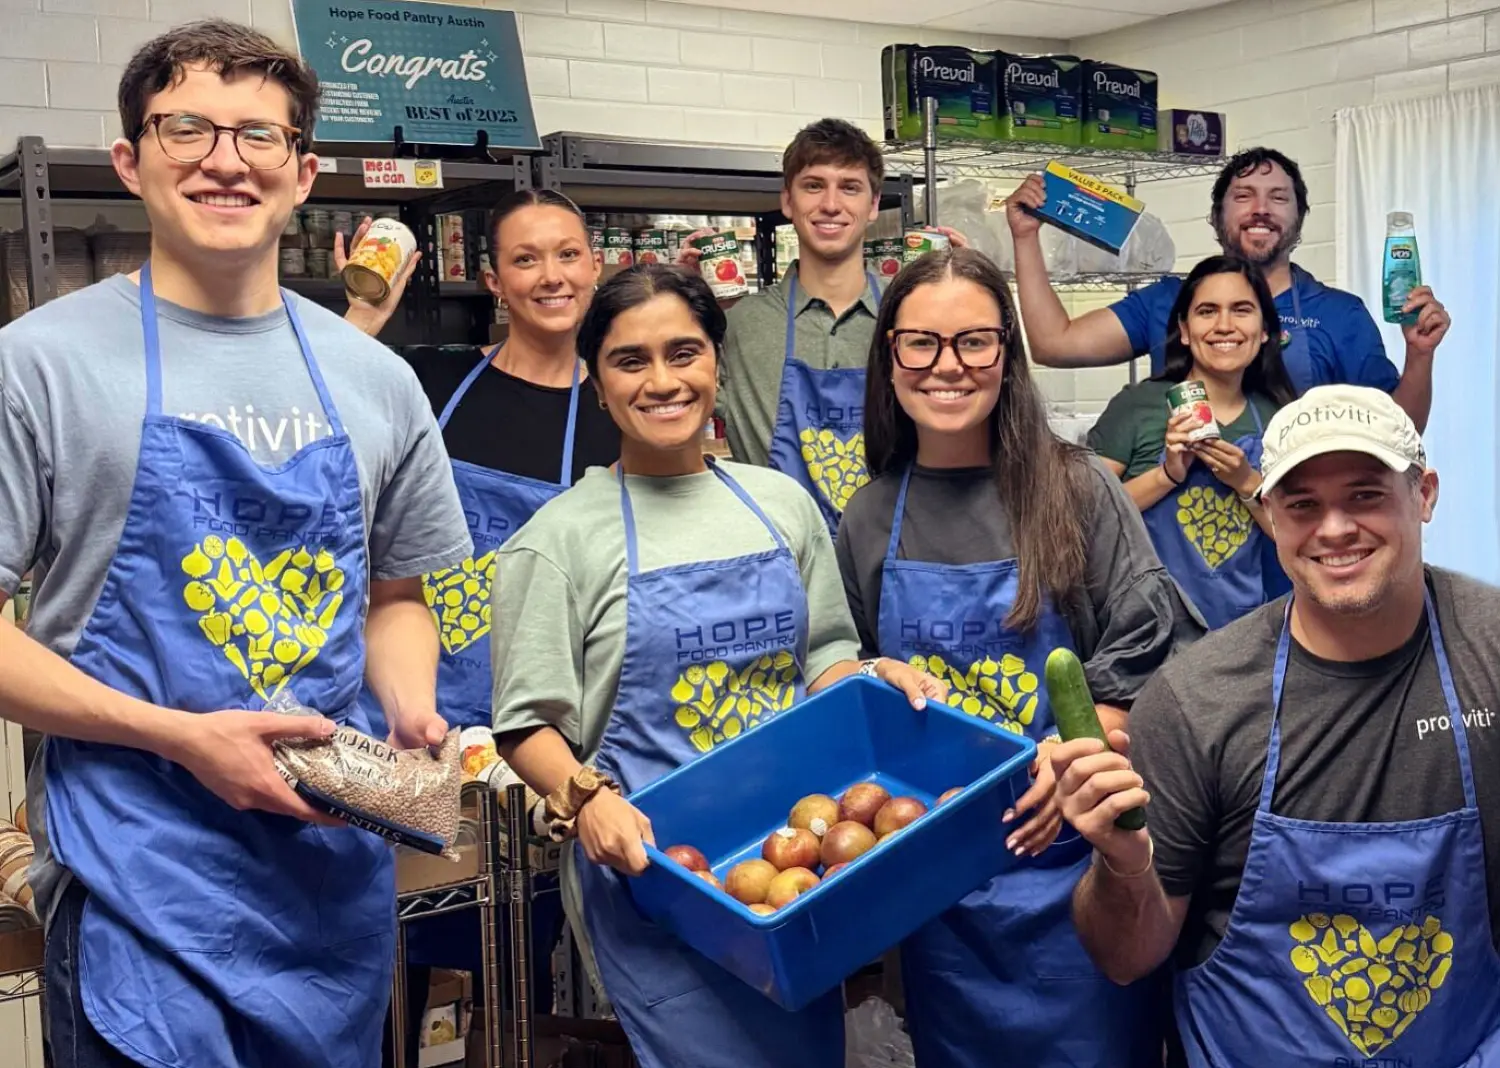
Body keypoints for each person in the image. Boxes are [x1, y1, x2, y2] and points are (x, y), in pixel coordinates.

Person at [0, 19, 470, 1068]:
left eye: (259, 137)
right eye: (187, 129)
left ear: (303, 173)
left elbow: (396, 595)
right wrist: (176, 735)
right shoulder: (38, 366)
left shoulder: (375, 381)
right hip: (140, 888)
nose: (224, 160)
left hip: (325, 886)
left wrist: (407, 704)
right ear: (131, 160)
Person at [488, 264, 944, 1068]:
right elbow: (525, 723)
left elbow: (826, 658)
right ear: (596, 383)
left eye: (683, 353)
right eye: (631, 361)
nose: (662, 381)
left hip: (788, 856)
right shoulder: (558, 541)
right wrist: (587, 799)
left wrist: (873, 679)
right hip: (658, 880)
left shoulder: (781, 505)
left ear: (716, 365)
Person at [1054, 384, 1500, 1066]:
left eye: (1365, 495)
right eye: (1302, 505)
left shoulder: (1491, 651)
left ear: (1425, 494)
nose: (1334, 529)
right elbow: (1125, 957)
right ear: (1269, 512)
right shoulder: (1196, 699)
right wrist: (1121, 865)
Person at [836, 247, 1199, 1068]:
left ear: (1008, 353)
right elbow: (851, 674)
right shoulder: (869, 516)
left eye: (975, 342)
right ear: (889, 353)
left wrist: (1077, 752)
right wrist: (872, 678)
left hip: (1079, 873)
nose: (947, 367)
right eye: (921, 342)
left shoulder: (1075, 490)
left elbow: (1149, 647)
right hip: (941, 886)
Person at [336, 189, 616, 1065]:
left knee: (518, 964)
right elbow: (321, 400)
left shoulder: (618, 407)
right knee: (394, 952)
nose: (551, 276)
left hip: (533, 740)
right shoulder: (431, 378)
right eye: (526, 259)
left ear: (595, 265)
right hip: (410, 711)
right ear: (493, 279)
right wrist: (361, 313)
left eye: (567, 254)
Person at [1006, 146, 1451, 429]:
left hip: (1289, 535)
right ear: (1217, 217)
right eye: (1243, 197)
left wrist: (1420, 356)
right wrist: (1025, 237)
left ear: (1298, 218)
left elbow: (1400, 430)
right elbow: (1053, 345)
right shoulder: (1166, 300)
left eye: (1278, 197)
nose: (1261, 209)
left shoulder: (1340, 314)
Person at [689, 118, 960, 533]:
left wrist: (972, 300)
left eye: (850, 187)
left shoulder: (915, 317)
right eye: (813, 185)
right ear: (787, 201)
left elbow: (981, 408)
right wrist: (677, 302)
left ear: (872, 206)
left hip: (899, 558)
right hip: (782, 565)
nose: (831, 204)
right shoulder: (740, 327)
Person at [1087, 255, 1298, 629]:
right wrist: (1167, 475)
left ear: (1265, 329)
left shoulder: (1282, 418)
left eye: (1242, 310)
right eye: (1207, 311)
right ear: (1184, 330)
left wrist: (1246, 483)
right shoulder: (1138, 407)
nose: (1224, 325)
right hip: (1146, 634)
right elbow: (1085, 519)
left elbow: (1299, 536)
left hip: (1243, 632)